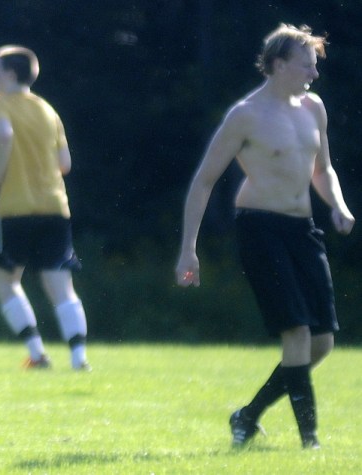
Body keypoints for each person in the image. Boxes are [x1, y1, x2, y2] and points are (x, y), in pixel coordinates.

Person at [175, 23, 355, 449]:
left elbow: (321, 169)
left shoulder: (314, 108)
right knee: (295, 333)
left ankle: (247, 416)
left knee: (322, 342)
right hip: (260, 228)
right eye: (306, 66)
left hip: (302, 229)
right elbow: (203, 181)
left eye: (315, 66)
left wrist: (338, 205)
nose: (313, 74)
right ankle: (310, 443)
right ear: (278, 65)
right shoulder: (246, 115)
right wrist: (188, 250)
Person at [0, 45, 90, 371]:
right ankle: (78, 358)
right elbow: (65, 163)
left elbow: (2, 135)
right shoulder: (47, 109)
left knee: (5, 280)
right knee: (60, 286)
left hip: (15, 207)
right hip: (55, 206)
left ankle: (37, 353)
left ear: (10, 73)